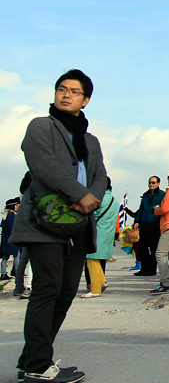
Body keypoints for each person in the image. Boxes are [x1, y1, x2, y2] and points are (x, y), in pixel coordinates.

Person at [12, 69, 107, 383]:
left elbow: (100, 175)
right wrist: (80, 194)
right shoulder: (41, 126)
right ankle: (38, 365)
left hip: (79, 223)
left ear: (86, 100)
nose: (66, 95)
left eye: (74, 91)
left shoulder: (90, 141)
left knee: (65, 292)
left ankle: (32, 360)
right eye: (62, 89)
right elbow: (43, 164)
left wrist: (91, 198)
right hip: (45, 221)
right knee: (47, 289)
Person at [82, 179, 116, 298]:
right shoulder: (113, 200)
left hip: (97, 232)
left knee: (91, 259)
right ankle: (102, 281)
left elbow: (91, 214)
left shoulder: (99, 199)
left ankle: (95, 289)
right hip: (108, 233)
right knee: (98, 260)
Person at [132, 176, 164, 276]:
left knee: (154, 247)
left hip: (155, 223)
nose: (151, 184)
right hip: (144, 223)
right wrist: (137, 221)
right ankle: (144, 268)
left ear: (158, 183)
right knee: (142, 247)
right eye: (150, 182)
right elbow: (141, 209)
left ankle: (152, 269)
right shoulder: (145, 195)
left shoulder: (162, 195)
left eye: (153, 182)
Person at [1, 198, 20, 280]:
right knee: (17, 255)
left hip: (5, 239)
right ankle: (16, 271)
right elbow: (13, 229)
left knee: (5, 257)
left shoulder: (5, 216)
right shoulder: (12, 216)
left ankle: (3, 273)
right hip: (11, 238)